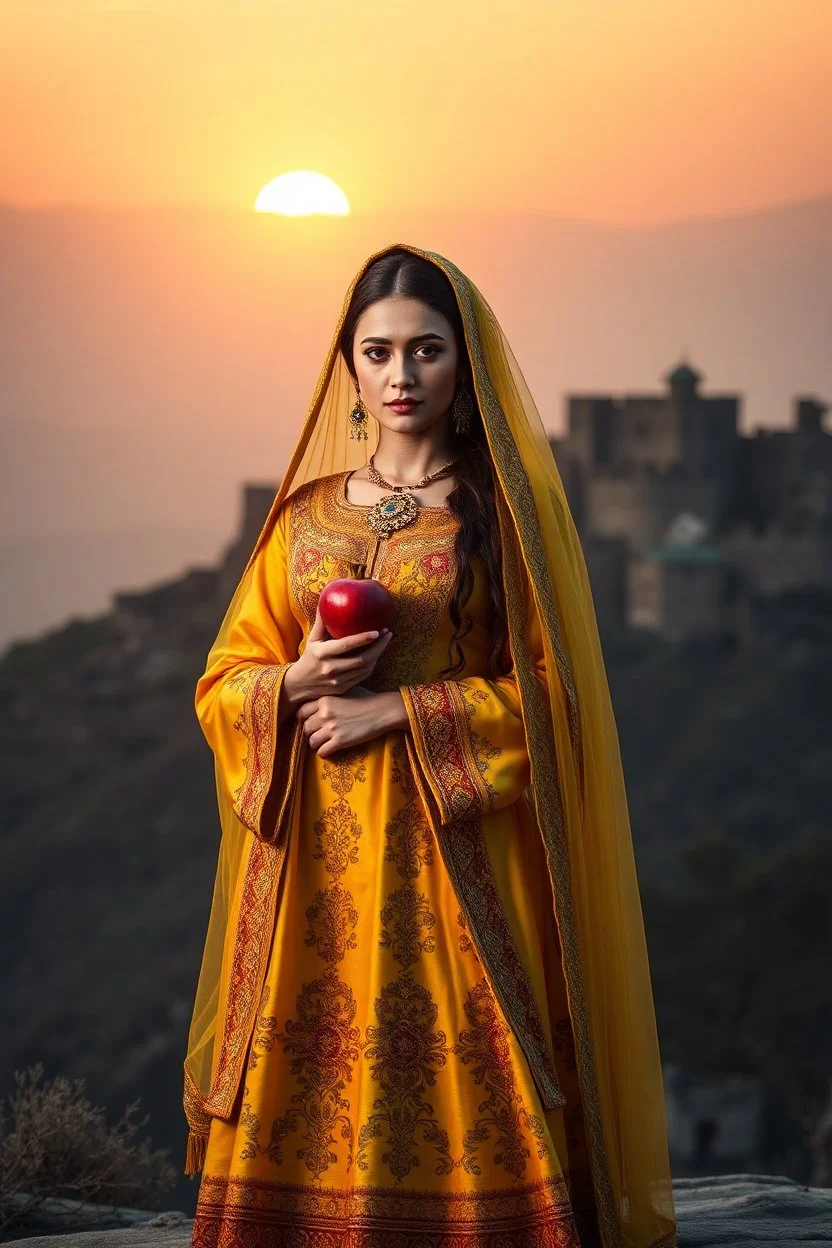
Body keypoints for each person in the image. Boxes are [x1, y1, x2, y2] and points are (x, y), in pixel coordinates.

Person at [183, 243, 677, 1248]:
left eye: (426, 349)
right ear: (349, 368)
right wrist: (293, 681)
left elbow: (559, 702)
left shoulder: (508, 515)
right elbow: (224, 679)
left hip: (454, 862)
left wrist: (397, 713)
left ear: (465, 364)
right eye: (377, 352)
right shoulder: (303, 519)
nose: (401, 374)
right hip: (310, 870)